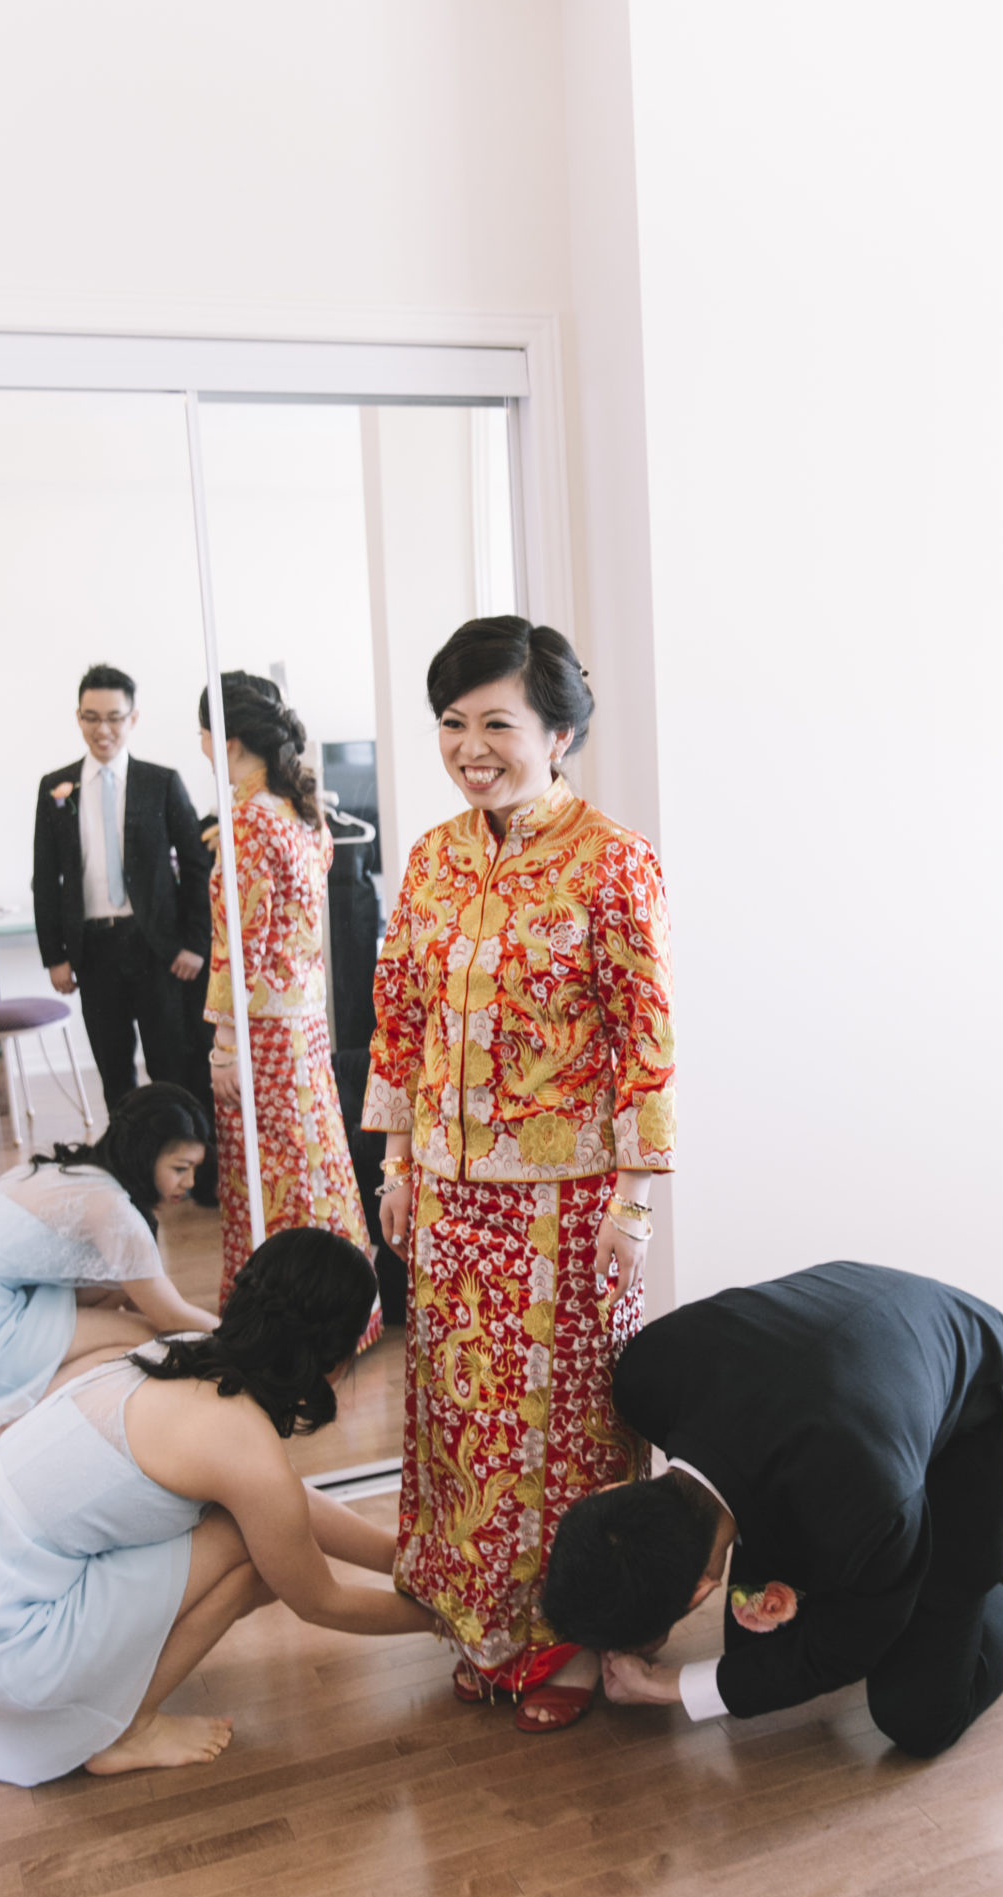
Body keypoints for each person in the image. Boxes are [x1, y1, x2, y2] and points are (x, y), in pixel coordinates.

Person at [363, 616, 677, 1731]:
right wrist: (397, 1162)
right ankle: (490, 1631)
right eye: (453, 723)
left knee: (567, 1433)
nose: (470, 747)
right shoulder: (433, 858)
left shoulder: (613, 858)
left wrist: (635, 1203)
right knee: (465, 1420)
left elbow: (645, 1038)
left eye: (497, 723)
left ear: (558, 733)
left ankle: (577, 1638)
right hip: (449, 1197)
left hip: (569, 1204)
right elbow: (398, 1018)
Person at [0, 1227, 434, 1786]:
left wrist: (401, 1556)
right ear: (333, 1356)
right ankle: (126, 1729)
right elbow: (320, 1601)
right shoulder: (243, 1447)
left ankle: (114, 1703)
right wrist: (447, 1620)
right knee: (251, 1551)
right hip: (4, 1656)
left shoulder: (183, 1352)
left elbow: (282, 1501)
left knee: (257, 1530)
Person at [542, 1261, 1003, 1758]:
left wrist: (667, 1686)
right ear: (608, 1493)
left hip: (965, 1395)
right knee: (761, 1641)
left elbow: (847, 1649)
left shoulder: (869, 1503)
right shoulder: (644, 1372)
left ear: (699, 1590)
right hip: (851, 1394)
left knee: (918, 1714)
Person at [0, 1082, 218, 1478]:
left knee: (119, 1295)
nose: (190, 1183)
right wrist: (243, 1338)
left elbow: (131, 1290)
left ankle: (5, 1412)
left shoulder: (70, 1172)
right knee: (144, 1339)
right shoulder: (111, 1210)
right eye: (180, 1168)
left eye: (194, 1169)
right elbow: (170, 1316)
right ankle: (7, 1430)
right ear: (145, 1154)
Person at [200, 673, 380, 1340]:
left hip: (264, 1029)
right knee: (315, 1164)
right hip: (304, 1021)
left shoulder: (249, 821)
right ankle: (339, 1315)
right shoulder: (299, 812)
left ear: (226, 741)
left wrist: (224, 1045)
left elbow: (240, 945)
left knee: (271, 1171)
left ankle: (282, 1321)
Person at [33, 663, 212, 1114]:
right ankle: (128, 1155)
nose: (103, 729)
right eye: (91, 717)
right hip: (94, 950)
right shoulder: (55, 788)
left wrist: (195, 943)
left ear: (133, 718)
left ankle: (183, 1155)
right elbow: (45, 877)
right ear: (78, 717)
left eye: (114, 717)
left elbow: (196, 866)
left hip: (159, 950)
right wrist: (55, 956)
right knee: (114, 1075)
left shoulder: (161, 782)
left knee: (172, 1069)